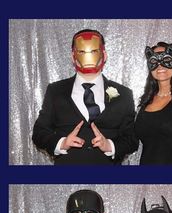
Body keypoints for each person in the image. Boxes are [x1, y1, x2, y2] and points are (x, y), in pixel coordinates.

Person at [32, 28, 137, 165]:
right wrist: (61, 143)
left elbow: (132, 139)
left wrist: (110, 145)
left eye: (94, 51)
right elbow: (39, 132)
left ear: (104, 55)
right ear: (73, 56)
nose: (88, 56)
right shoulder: (55, 91)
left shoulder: (124, 94)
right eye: (81, 51)